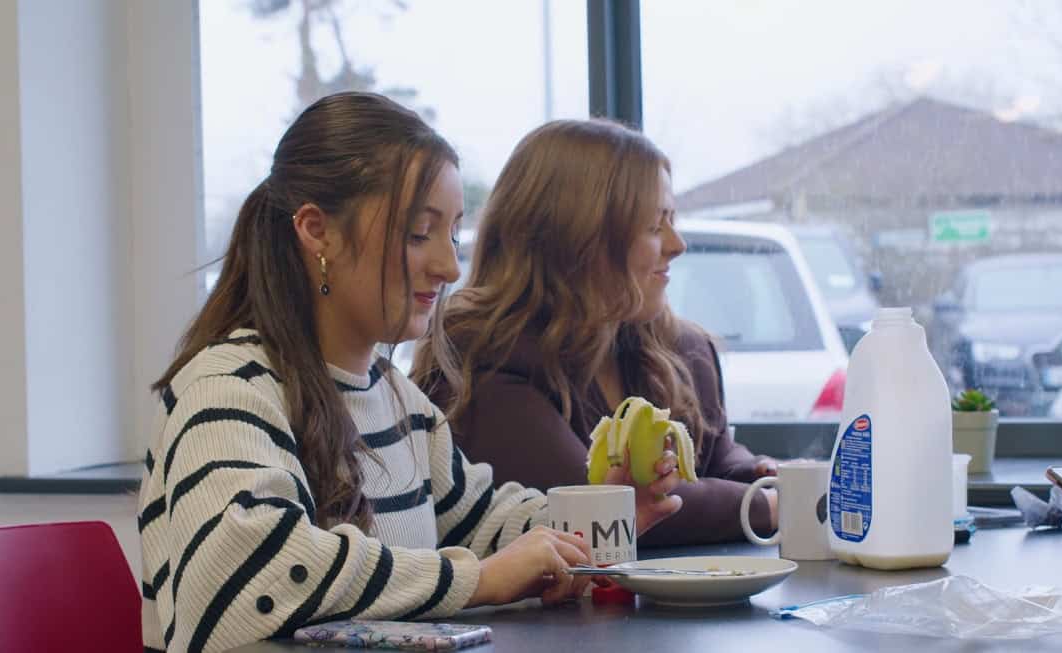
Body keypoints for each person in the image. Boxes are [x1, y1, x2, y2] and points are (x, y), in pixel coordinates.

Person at [137, 94, 680, 652]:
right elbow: (249, 576)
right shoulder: (227, 387)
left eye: (452, 235)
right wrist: (475, 579)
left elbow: (484, 521)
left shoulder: (396, 399)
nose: (447, 267)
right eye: (419, 234)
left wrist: (601, 518)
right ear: (316, 230)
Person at [412, 119, 779, 548]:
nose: (677, 244)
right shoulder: (485, 358)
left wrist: (754, 473)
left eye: (672, 219)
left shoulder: (677, 347)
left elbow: (714, 455)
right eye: (655, 225)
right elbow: (600, 509)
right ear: (581, 237)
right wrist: (764, 506)